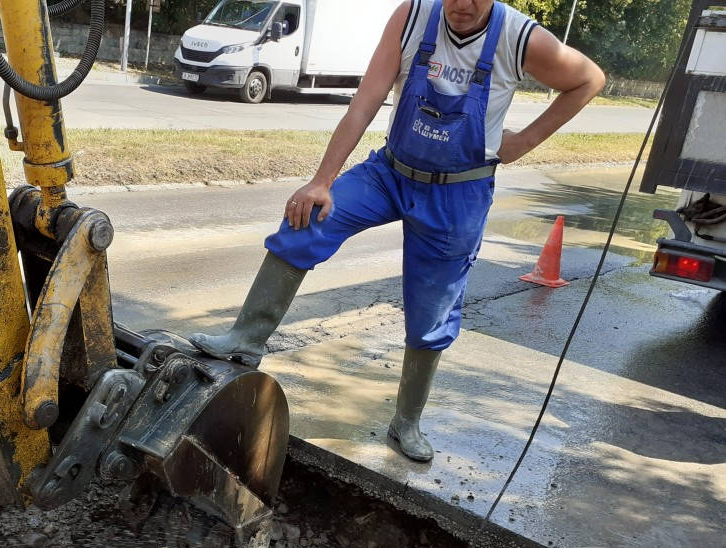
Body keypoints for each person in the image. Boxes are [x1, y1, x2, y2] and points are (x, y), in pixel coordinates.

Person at [189, 0, 604, 462]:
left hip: (457, 193)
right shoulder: (413, 16)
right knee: (306, 220)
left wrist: (524, 141)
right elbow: (366, 100)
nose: (461, 6)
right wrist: (322, 180)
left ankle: (406, 421)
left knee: (432, 310)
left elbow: (589, 80)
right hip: (390, 172)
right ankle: (245, 341)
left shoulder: (520, 37)